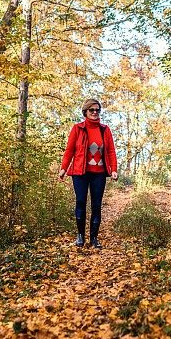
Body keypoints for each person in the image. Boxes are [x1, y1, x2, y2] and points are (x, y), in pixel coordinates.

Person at [59, 99, 118, 248]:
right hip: (80, 172)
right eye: (91, 110)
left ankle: (94, 238)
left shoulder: (105, 130)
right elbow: (69, 150)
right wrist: (63, 168)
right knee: (80, 202)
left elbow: (111, 151)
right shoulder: (78, 129)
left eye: (97, 110)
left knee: (96, 205)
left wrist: (114, 169)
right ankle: (80, 237)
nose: (94, 112)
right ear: (85, 111)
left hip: (99, 173)